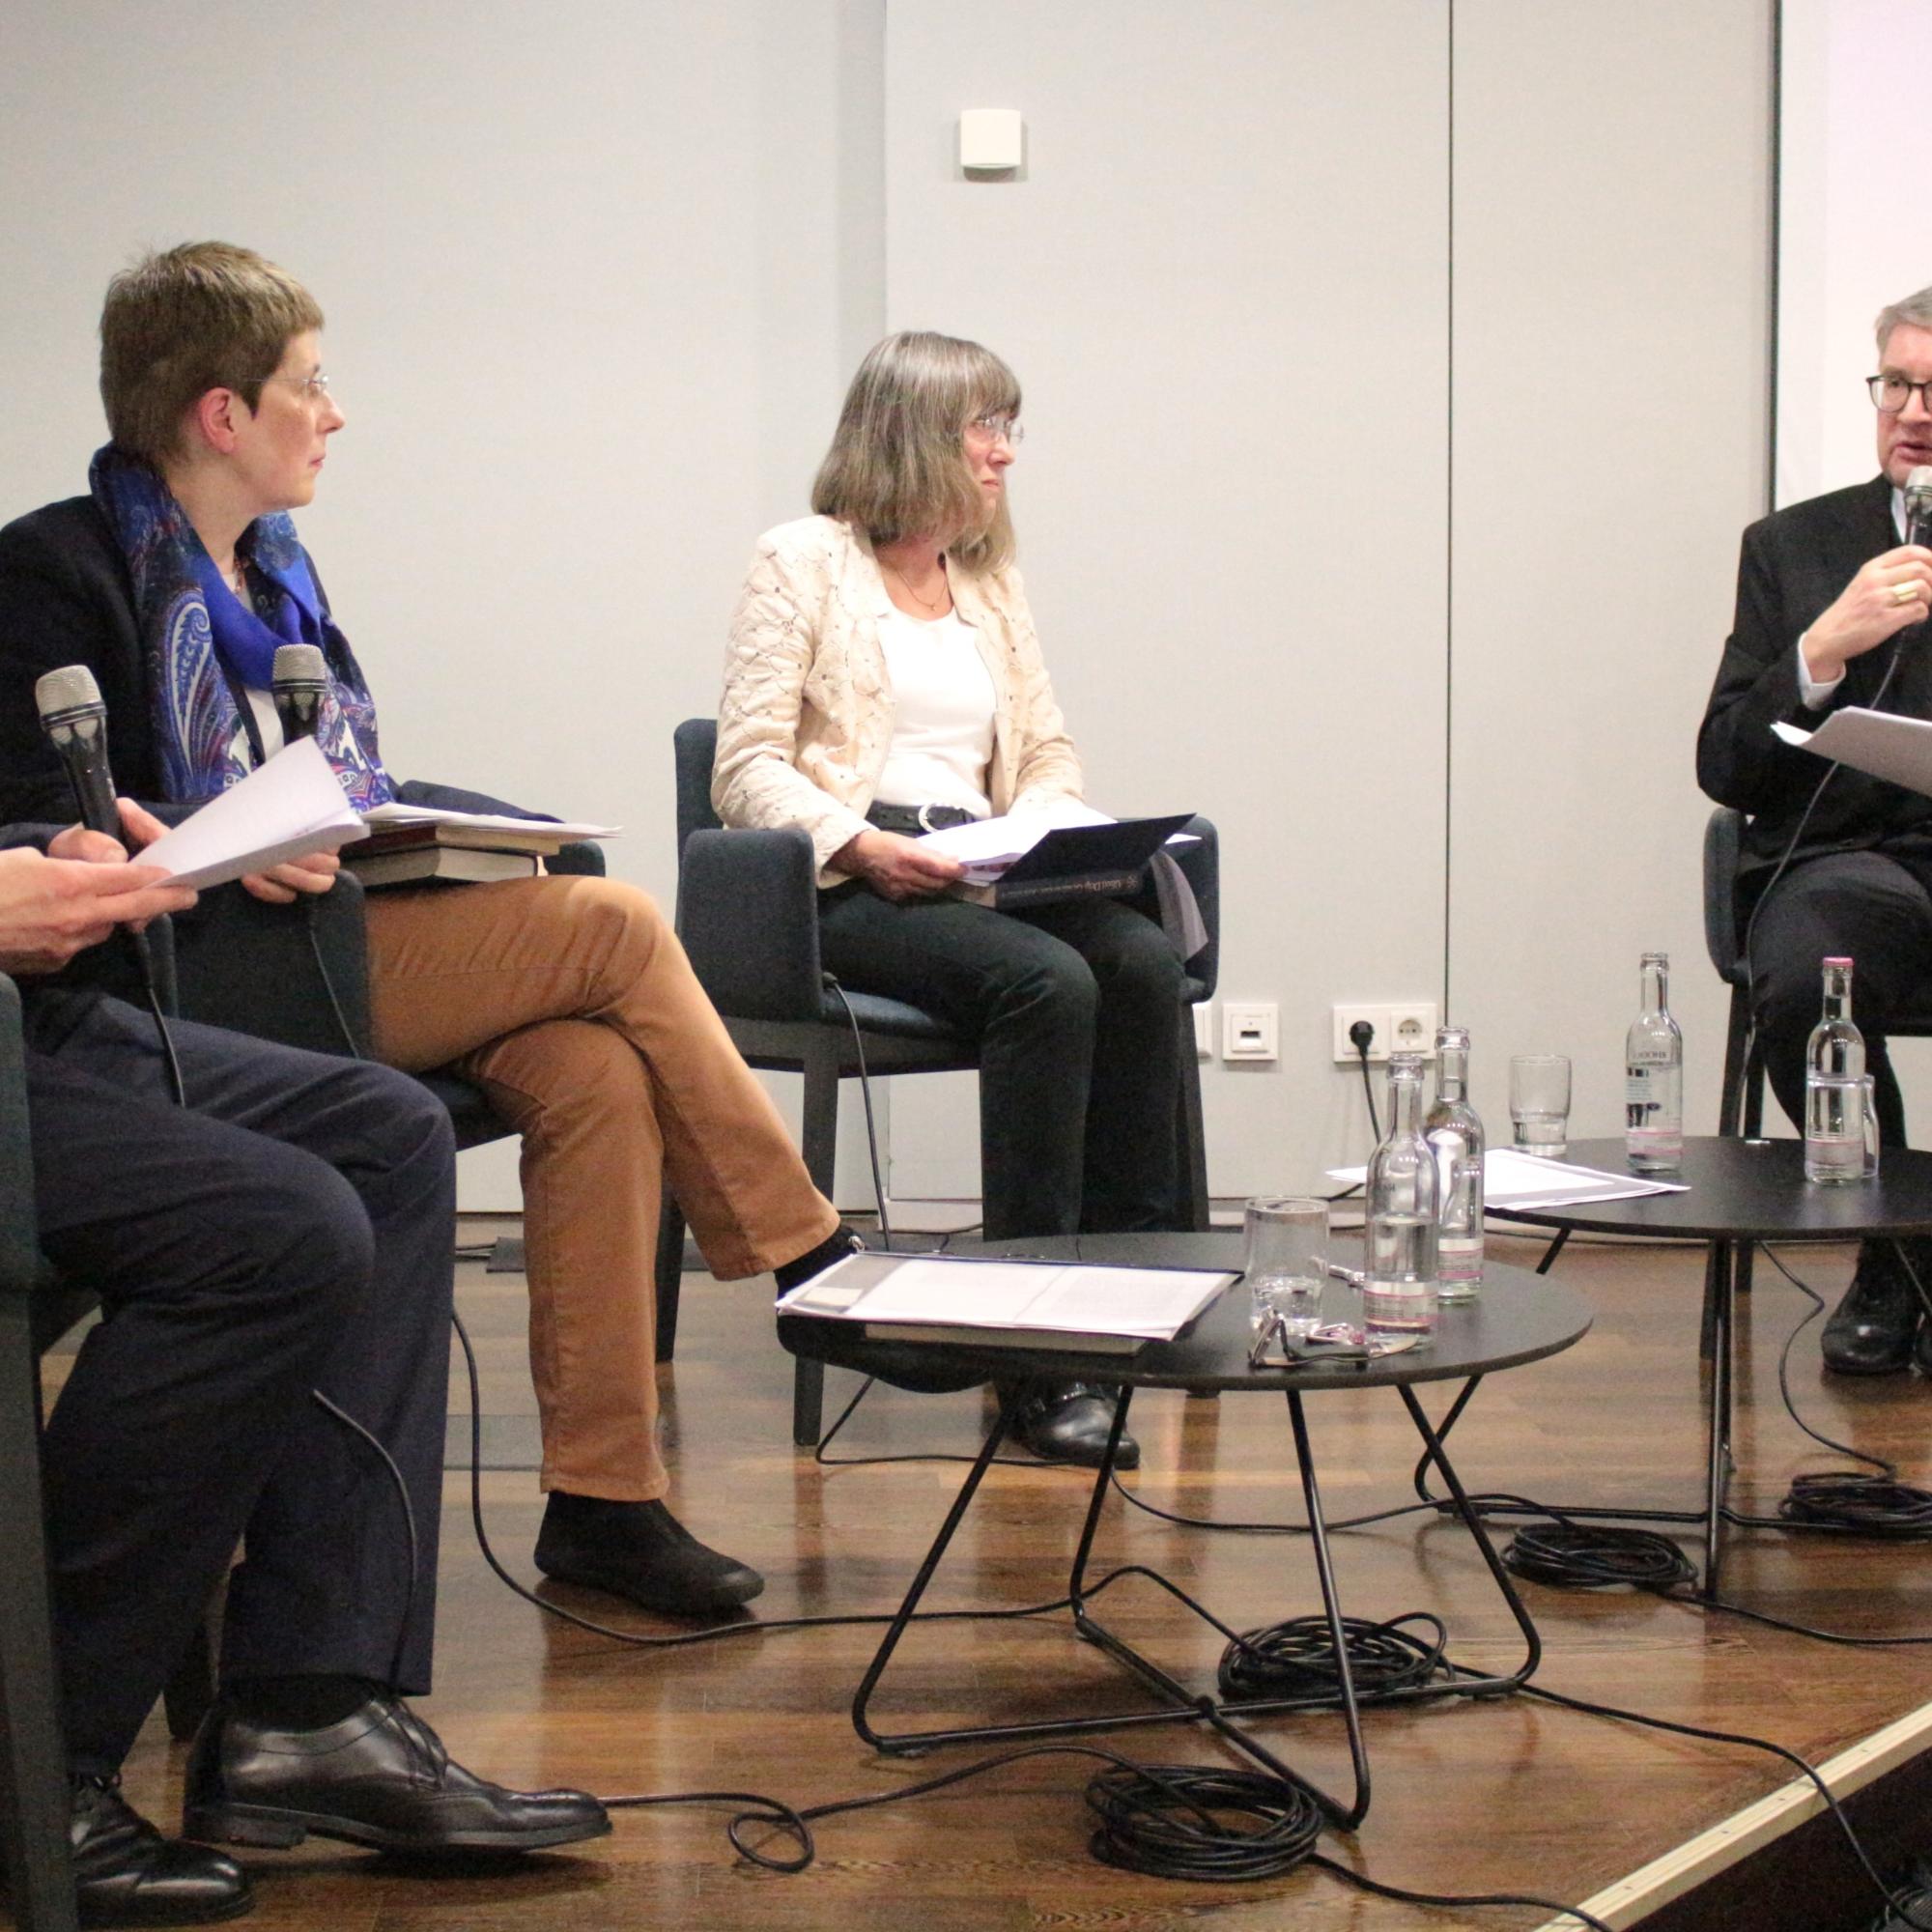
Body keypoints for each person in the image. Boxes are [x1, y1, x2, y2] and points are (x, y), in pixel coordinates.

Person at [0, 242, 858, 1619]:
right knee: (618, 928)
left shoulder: (279, 572)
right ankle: (817, 1263)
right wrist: (217, 833)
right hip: (178, 978)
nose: (333, 414)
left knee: (595, 1068)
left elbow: (336, 770)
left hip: (320, 934)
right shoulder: (52, 568)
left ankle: (604, 1504)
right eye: (310, 386)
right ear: (225, 413)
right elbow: (43, 823)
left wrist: (371, 824)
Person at [5, 804, 609, 1926]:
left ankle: (306, 1703)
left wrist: (45, 848)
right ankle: (32, 1758)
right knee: (278, 1229)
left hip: (27, 1021)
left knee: (386, 1131)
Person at [714, 330, 1190, 1468]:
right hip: (848, 884)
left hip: (977, 867)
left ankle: (1128, 1305)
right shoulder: (800, 561)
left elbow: (1045, 748)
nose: (1003, 455)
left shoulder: (985, 578)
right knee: (1046, 979)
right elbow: (743, 767)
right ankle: (1031, 1354)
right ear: (916, 431)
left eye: (1006, 430)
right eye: (987, 428)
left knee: (1137, 960)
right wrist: (863, 843)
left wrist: (1045, 828)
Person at [1698, 280, 1932, 1378]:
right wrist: (1819, 651)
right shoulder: (1793, 546)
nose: (1911, 411)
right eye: (1895, 383)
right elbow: (1722, 761)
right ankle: (1896, 1259)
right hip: (1849, 866)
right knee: (1801, 974)